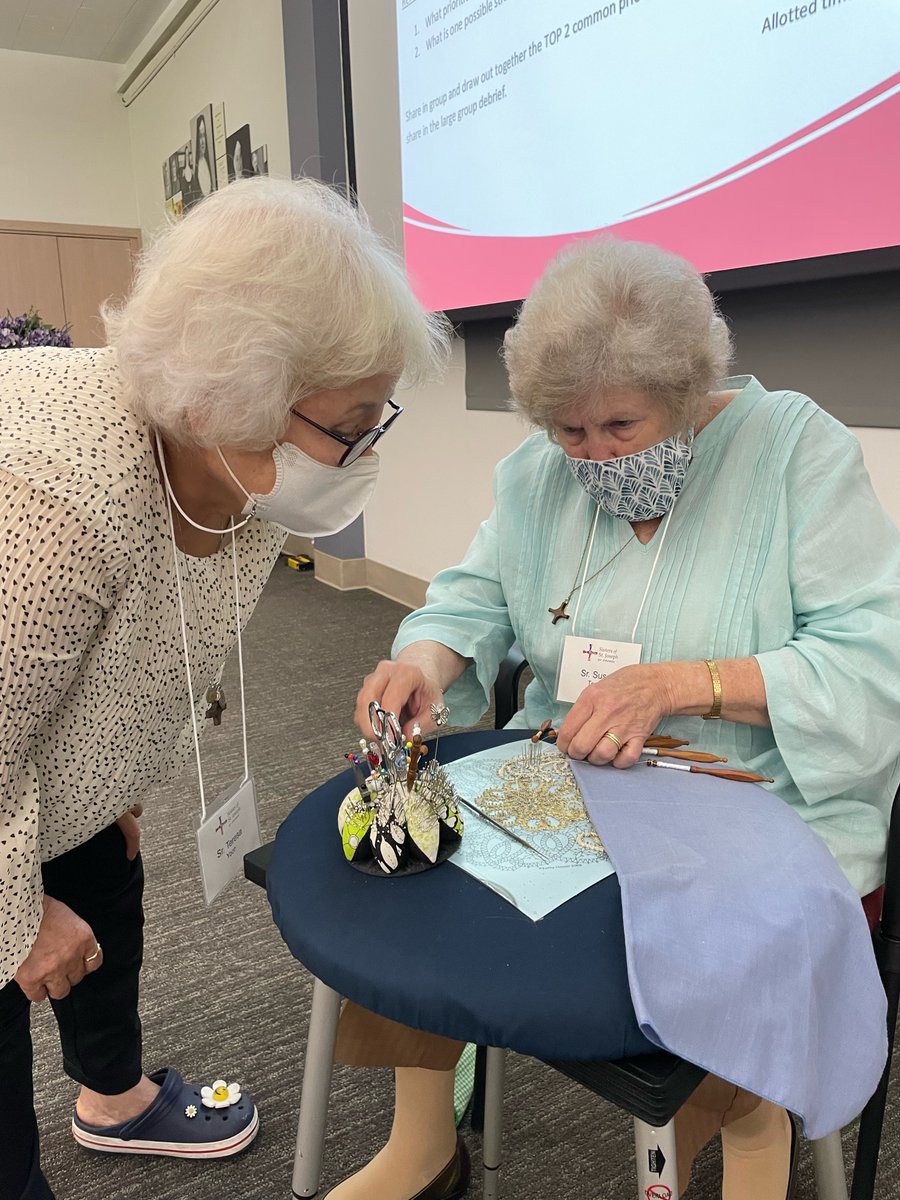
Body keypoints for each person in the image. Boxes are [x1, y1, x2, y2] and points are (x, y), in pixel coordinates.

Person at [342, 237, 900, 1200]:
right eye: (568, 431)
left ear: (689, 393)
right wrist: (422, 662)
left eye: (620, 426)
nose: (592, 457)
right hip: (569, 770)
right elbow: (466, 600)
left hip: (758, 789)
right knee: (411, 864)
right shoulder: (535, 475)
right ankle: (424, 1140)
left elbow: (871, 661)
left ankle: (744, 1158)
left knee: (728, 938)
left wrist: (688, 684)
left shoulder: (795, 451)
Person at [0, 175, 449, 1200]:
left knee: (105, 894)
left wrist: (108, 775)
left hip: (40, 746)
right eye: (348, 425)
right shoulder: (48, 498)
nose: (365, 449)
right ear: (225, 403)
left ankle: (112, 1101)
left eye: (378, 415)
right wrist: (15, 911)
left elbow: (141, 639)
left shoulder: (226, 469)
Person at [194, 113, 214, 196]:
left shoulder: (209, 164)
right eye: (200, 136)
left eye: (203, 136)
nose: (202, 141)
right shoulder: (197, 167)